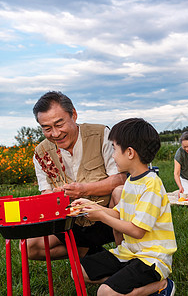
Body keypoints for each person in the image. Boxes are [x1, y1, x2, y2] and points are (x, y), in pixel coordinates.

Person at [71, 118, 177, 296]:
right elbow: (118, 213)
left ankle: (162, 285)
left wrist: (101, 217)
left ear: (129, 153)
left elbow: (137, 231)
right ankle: (124, 283)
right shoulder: (131, 181)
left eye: (114, 148)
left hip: (151, 258)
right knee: (78, 272)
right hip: (129, 253)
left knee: (104, 293)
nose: (112, 155)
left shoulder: (151, 185)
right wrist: (90, 206)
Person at [27, 91, 127, 261]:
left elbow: (121, 178)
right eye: (47, 128)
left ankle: (126, 256)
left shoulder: (100, 134)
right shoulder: (41, 153)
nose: (55, 134)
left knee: (120, 190)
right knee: (31, 248)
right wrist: (53, 198)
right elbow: (46, 193)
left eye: (59, 124)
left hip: (107, 217)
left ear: (73, 115)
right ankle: (90, 253)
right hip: (71, 223)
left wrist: (84, 190)